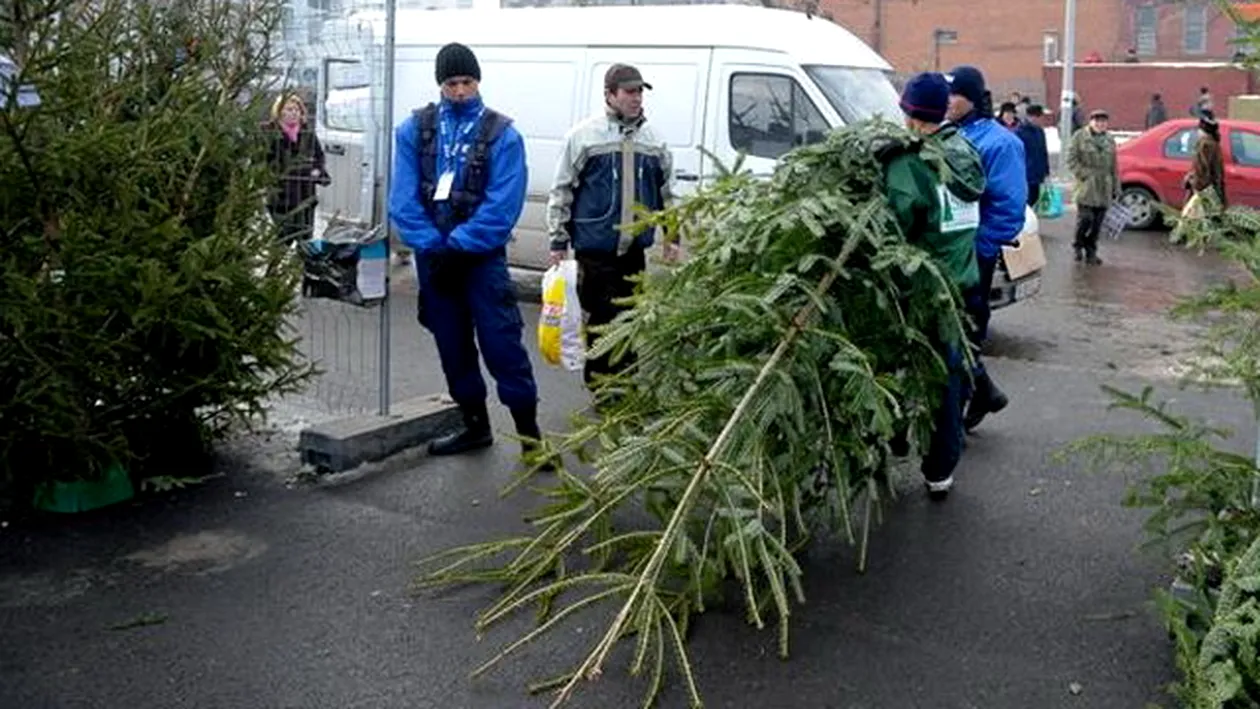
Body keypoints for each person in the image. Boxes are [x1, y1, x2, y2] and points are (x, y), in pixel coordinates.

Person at [388, 42, 546, 460]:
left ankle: (531, 438)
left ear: (478, 81)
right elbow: (402, 198)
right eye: (452, 82)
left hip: (481, 260)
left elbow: (504, 203)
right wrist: (432, 246)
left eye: (467, 82)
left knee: (502, 344)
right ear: (441, 84)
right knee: (452, 345)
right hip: (436, 259)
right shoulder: (414, 130)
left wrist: (460, 245)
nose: (460, 91)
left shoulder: (502, 134)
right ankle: (475, 426)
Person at [881, 72, 986, 500]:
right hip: (961, 282)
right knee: (949, 376)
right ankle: (942, 467)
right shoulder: (964, 150)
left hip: (919, 288)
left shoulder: (911, 164)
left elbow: (894, 227)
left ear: (914, 116)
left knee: (894, 366)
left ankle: (895, 441)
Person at [546, 64, 678, 390]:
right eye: (629, 91)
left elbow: (668, 192)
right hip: (596, 248)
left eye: (639, 91)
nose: (636, 98)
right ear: (610, 94)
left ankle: (626, 383)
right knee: (604, 318)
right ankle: (603, 387)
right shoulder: (583, 137)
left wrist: (672, 236)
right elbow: (562, 189)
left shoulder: (654, 140)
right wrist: (557, 240)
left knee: (630, 317)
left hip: (634, 250)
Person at [945, 66, 1025, 433]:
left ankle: (956, 421)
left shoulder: (1000, 143)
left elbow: (1009, 210)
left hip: (975, 253)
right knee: (949, 328)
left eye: (954, 95)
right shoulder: (948, 134)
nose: (947, 102)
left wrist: (978, 247)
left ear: (972, 98)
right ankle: (984, 392)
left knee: (968, 328)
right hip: (947, 251)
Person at [266, 93, 330, 245]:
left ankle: (304, 267)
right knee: (282, 240)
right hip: (281, 196)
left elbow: (319, 156)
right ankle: (275, 268)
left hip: (305, 194)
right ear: (279, 112)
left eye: (297, 110)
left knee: (305, 240)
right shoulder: (270, 133)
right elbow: (266, 161)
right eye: (289, 109)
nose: (294, 113)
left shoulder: (307, 133)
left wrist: (316, 170)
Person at [1067, 108, 1120, 266]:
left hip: (1104, 186)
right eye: (1097, 121)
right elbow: (1071, 159)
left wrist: (1116, 187)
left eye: (1103, 121)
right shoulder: (1080, 137)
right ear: (1091, 122)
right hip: (1087, 187)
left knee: (1097, 223)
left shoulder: (1109, 140)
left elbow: (1114, 166)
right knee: (1086, 219)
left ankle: (1091, 251)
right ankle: (1078, 244)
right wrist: (1083, 175)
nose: (1100, 124)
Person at [1184, 115, 1227, 208]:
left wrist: (1192, 182)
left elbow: (1202, 171)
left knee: (1197, 219)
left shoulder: (1205, 145)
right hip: (1214, 192)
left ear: (1204, 130)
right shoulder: (1215, 144)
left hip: (1204, 194)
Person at [1016, 105, 1051, 208]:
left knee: (1035, 197)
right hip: (1026, 173)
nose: (1041, 120)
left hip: (1037, 173)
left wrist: (1046, 171)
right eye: (1040, 117)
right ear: (1032, 117)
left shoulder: (1039, 131)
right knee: (1027, 200)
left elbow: (1043, 152)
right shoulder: (1020, 132)